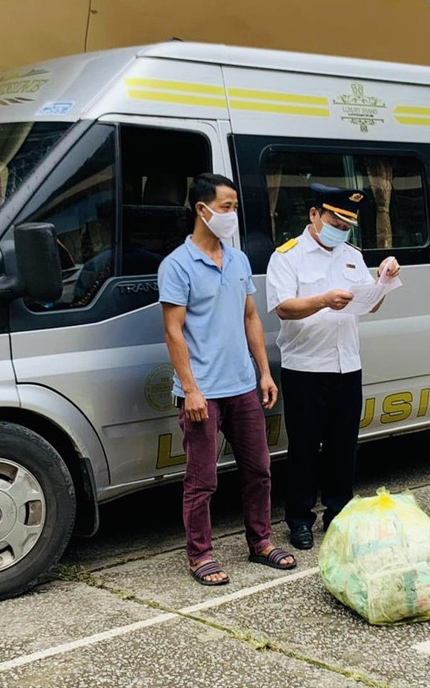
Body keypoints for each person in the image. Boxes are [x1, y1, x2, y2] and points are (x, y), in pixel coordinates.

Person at [158, 173, 295, 586]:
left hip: (242, 387)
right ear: (202, 210)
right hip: (203, 394)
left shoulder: (237, 260)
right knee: (203, 481)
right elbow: (173, 331)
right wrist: (192, 389)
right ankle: (200, 555)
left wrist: (264, 373)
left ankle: (261, 542)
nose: (232, 215)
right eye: (226, 207)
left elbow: (250, 316)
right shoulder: (177, 265)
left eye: (234, 207)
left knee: (260, 469)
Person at [266, 184, 401, 551]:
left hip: (347, 366)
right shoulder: (287, 256)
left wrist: (383, 283)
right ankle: (299, 520)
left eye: (347, 225)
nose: (340, 230)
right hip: (306, 367)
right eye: (335, 221)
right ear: (314, 215)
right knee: (305, 449)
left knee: (344, 448)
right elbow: (283, 307)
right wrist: (323, 300)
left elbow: (368, 305)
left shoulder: (352, 255)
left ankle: (339, 515)